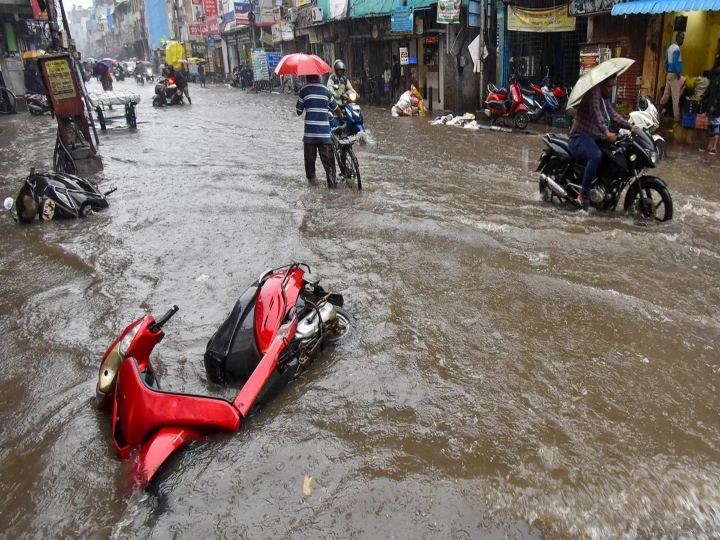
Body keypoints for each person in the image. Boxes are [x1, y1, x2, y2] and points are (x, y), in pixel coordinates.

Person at [569, 74, 637, 211]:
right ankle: (584, 196)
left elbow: (613, 114)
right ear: (602, 83)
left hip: (594, 137)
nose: (610, 90)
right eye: (608, 86)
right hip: (579, 137)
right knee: (596, 156)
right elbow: (597, 115)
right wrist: (606, 133)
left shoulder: (604, 98)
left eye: (612, 87)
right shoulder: (594, 92)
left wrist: (630, 126)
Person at [296, 74, 343, 188]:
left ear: (307, 77)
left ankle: (312, 188)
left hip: (310, 135)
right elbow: (337, 109)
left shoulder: (303, 90)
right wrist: (341, 119)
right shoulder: (326, 90)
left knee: (310, 166)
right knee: (330, 167)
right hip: (324, 135)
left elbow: (298, 111)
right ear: (319, 77)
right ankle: (332, 188)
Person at [659, 31, 684, 123]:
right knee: (675, 98)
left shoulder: (670, 48)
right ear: (677, 38)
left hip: (669, 74)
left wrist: (667, 70)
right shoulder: (677, 49)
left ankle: (658, 113)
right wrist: (678, 72)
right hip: (674, 75)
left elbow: (666, 62)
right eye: (682, 38)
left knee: (665, 95)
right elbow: (675, 62)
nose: (683, 40)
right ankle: (677, 119)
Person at [704, 55, 720, 154]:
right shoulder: (713, 74)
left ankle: (714, 146)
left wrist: (715, 104)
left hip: (717, 105)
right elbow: (710, 88)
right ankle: (709, 145)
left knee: (716, 125)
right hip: (711, 103)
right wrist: (704, 96)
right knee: (710, 125)